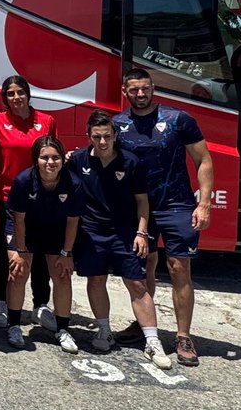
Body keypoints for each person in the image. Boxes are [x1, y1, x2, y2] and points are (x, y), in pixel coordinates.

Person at [111, 69, 214, 367]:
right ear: (124, 91)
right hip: (138, 208)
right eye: (134, 90)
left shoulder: (178, 119)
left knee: (179, 267)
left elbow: (203, 159)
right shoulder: (119, 124)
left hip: (177, 205)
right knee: (142, 270)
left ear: (153, 88)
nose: (140, 95)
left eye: (145, 89)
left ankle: (183, 336)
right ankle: (146, 327)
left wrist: (204, 202)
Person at [66, 109, 172, 369]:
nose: (102, 142)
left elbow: (142, 201)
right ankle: (104, 330)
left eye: (107, 136)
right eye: (96, 137)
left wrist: (142, 232)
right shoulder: (77, 160)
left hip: (125, 232)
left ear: (115, 135)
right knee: (96, 280)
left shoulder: (130, 162)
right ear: (88, 137)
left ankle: (152, 341)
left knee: (137, 284)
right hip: (91, 232)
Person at [0, 74, 58, 331]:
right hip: (6, 198)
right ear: (5, 98)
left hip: (41, 199)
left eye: (20, 92)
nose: (16, 98)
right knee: (8, 255)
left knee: (39, 254)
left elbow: (52, 158)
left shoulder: (46, 121)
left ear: (28, 94)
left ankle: (41, 304)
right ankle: (1, 302)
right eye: (10, 94)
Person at [5, 135, 82, 352]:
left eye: (56, 157)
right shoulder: (23, 180)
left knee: (63, 275)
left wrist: (67, 253)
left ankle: (63, 329)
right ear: (36, 160)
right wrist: (20, 251)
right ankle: (13, 325)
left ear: (62, 159)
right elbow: (18, 219)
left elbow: (73, 221)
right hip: (26, 229)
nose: (50, 162)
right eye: (45, 157)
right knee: (17, 272)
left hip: (55, 231)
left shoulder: (73, 183)